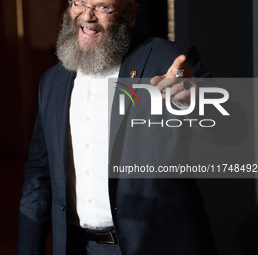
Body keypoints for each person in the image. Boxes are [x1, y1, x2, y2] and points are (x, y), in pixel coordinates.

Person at [17, 0, 246, 254]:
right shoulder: (53, 81)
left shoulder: (165, 60)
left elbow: (234, 131)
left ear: (130, 13)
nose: (88, 16)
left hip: (155, 243)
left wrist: (195, 100)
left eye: (103, 8)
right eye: (79, 3)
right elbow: (39, 172)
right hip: (78, 247)